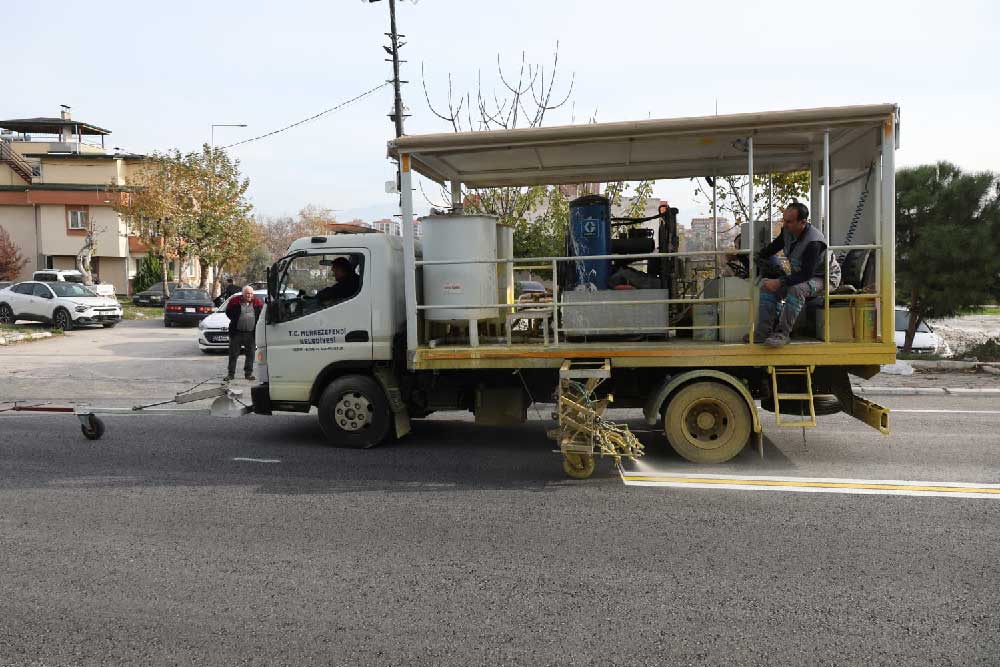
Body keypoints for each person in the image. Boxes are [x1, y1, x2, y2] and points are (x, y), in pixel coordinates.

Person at [752, 202, 829, 347]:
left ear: (803, 222)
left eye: (789, 221)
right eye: (784, 220)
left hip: (823, 277)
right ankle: (763, 333)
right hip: (802, 275)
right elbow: (772, 248)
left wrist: (780, 282)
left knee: (796, 289)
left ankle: (782, 333)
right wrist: (754, 257)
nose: (785, 224)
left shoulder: (814, 242)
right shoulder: (787, 232)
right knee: (767, 287)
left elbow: (806, 275)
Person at [225, 286, 263, 381]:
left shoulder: (257, 302)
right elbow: (228, 312)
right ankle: (230, 374)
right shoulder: (234, 301)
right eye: (247, 293)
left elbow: (261, 315)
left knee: (250, 355)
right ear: (243, 294)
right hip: (236, 333)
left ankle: (248, 374)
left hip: (250, 333)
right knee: (233, 354)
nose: (249, 295)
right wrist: (235, 320)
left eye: (251, 294)